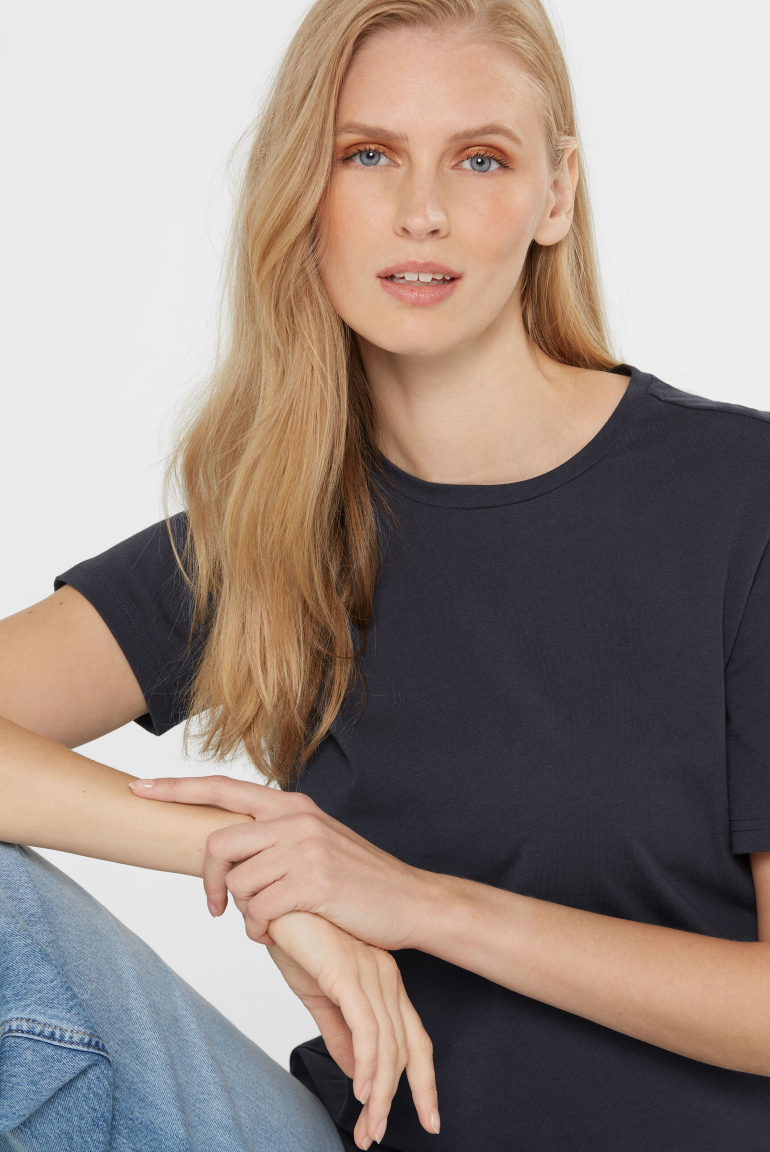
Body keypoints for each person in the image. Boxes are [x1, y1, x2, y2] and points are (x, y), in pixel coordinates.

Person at [2, 0, 770, 1149]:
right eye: (367, 154)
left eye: (479, 158)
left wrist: (419, 904)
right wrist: (268, 872)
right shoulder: (273, 532)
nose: (421, 210)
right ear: (303, 192)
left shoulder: (737, 499)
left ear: (554, 196)